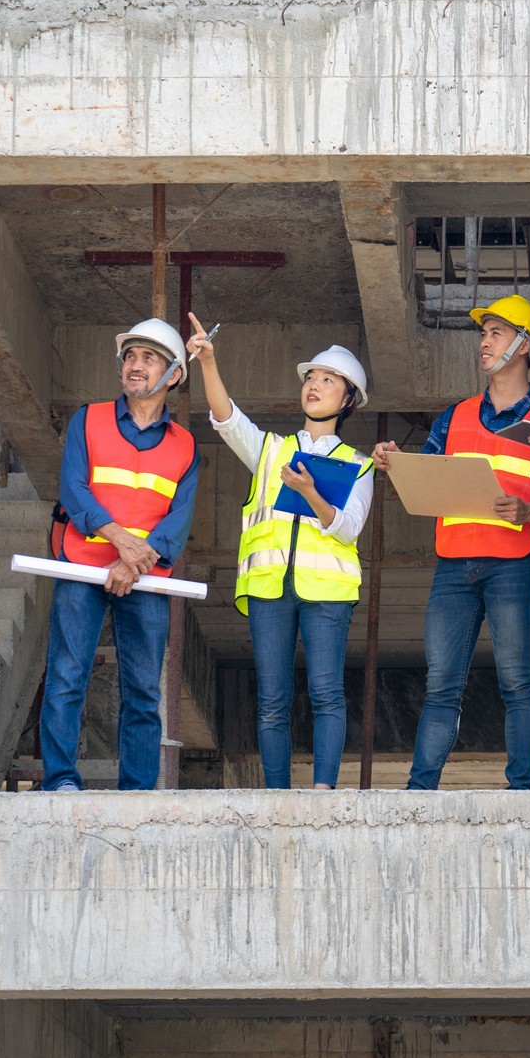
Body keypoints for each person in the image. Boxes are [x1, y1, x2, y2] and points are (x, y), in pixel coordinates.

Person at [374, 295, 530, 791]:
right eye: (482, 334)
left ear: (523, 346)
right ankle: (418, 792)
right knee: (441, 686)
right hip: (453, 566)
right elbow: (426, 480)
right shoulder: (455, 416)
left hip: (513, 563)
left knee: (516, 682)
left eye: (496, 333)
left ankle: (519, 793)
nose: (484, 343)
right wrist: (396, 462)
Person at [186, 316, 374, 790]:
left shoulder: (358, 463)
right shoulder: (270, 450)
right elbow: (226, 417)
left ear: (347, 399)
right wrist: (208, 361)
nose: (314, 385)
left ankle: (324, 791)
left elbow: (348, 528)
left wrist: (312, 494)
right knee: (272, 698)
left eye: (328, 380)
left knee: (327, 693)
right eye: (311, 377)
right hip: (269, 589)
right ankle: (276, 794)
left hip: (327, 593)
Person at [41, 318, 200, 792]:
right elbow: (74, 489)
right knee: (67, 676)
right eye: (130, 356)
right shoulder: (86, 419)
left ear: (173, 375)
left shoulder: (185, 445)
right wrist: (120, 542)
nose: (135, 365)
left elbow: (178, 521)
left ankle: (136, 791)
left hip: (146, 577)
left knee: (143, 692)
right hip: (82, 564)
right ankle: (60, 781)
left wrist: (132, 561)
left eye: (148, 358)